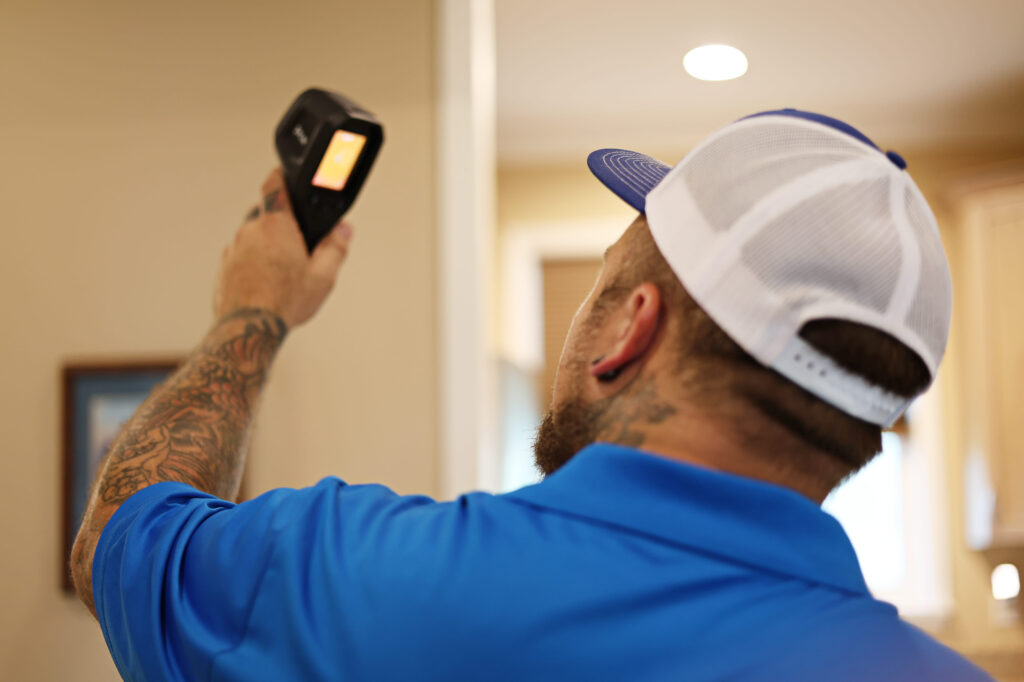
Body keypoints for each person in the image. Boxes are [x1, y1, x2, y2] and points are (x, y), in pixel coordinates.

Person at [71, 109, 992, 681]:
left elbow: (120, 533)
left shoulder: (372, 582)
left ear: (633, 327)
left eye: (600, 282)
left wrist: (254, 311)